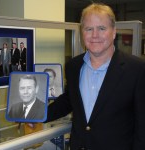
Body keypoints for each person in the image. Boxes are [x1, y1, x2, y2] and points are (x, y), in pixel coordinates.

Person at [46, 3, 145, 150]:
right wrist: (38, 115)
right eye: (89, 29)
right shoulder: (73, 66)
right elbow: (69, 99)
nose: (94, 35)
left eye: (102, 28)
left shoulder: (136, 69)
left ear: (113, 32)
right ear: (82, 32)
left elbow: (142, 127)